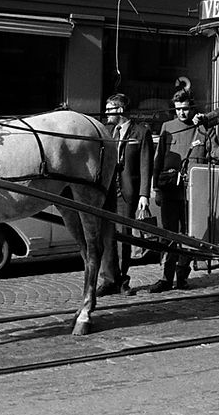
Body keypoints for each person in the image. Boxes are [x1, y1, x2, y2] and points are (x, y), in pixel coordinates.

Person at [148, 89, 218, 293]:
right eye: (178, 109)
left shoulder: (204, 128)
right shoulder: (167, 127)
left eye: (185, 109)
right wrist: (156, 188)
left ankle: (182, 275)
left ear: (192, 107)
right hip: (169, 190)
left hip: (193, 193)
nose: (182, 113)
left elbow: (213, 154)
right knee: (168, 234)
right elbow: (158, 160)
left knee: (189, 234)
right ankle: (165, 277)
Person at [97, 93, 153, 297]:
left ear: (119, 110)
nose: (106, 113)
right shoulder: (106, 132)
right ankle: (108, 279)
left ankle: (122, 279)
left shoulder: (141, 132)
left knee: (123, 237)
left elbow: (147, 165)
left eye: (109, 109)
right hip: (107, 191)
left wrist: (144, 195)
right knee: (106, 236)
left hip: (128, 192)